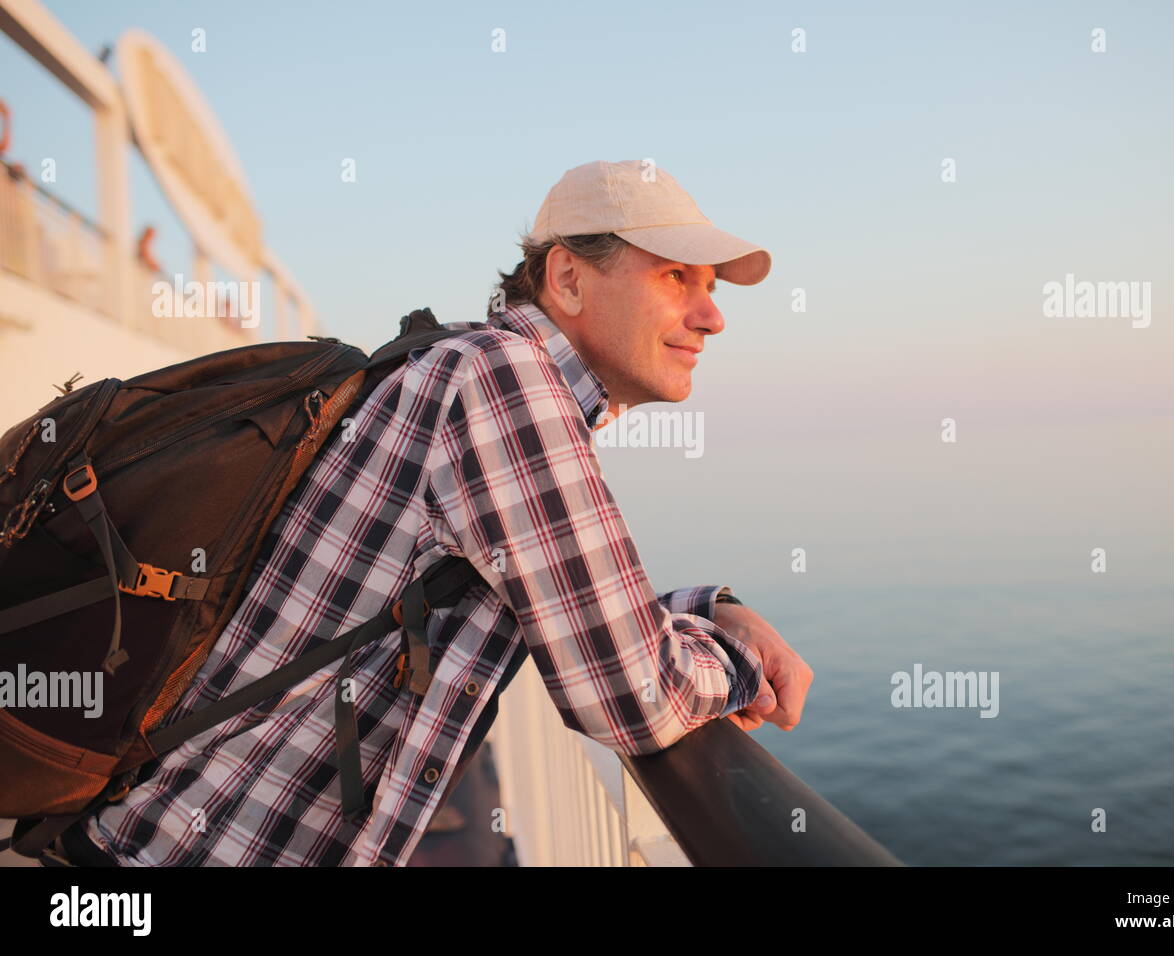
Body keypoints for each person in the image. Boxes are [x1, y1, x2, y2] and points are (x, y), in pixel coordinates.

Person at [59, 159, 813, 867]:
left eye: (711, 286)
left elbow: (562, 598)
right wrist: (744, 664)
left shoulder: (463, 360)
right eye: (677, 276)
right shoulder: (507, 382)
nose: (711, 316)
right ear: (569, 277)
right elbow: (634, 696)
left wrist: (708, 611)